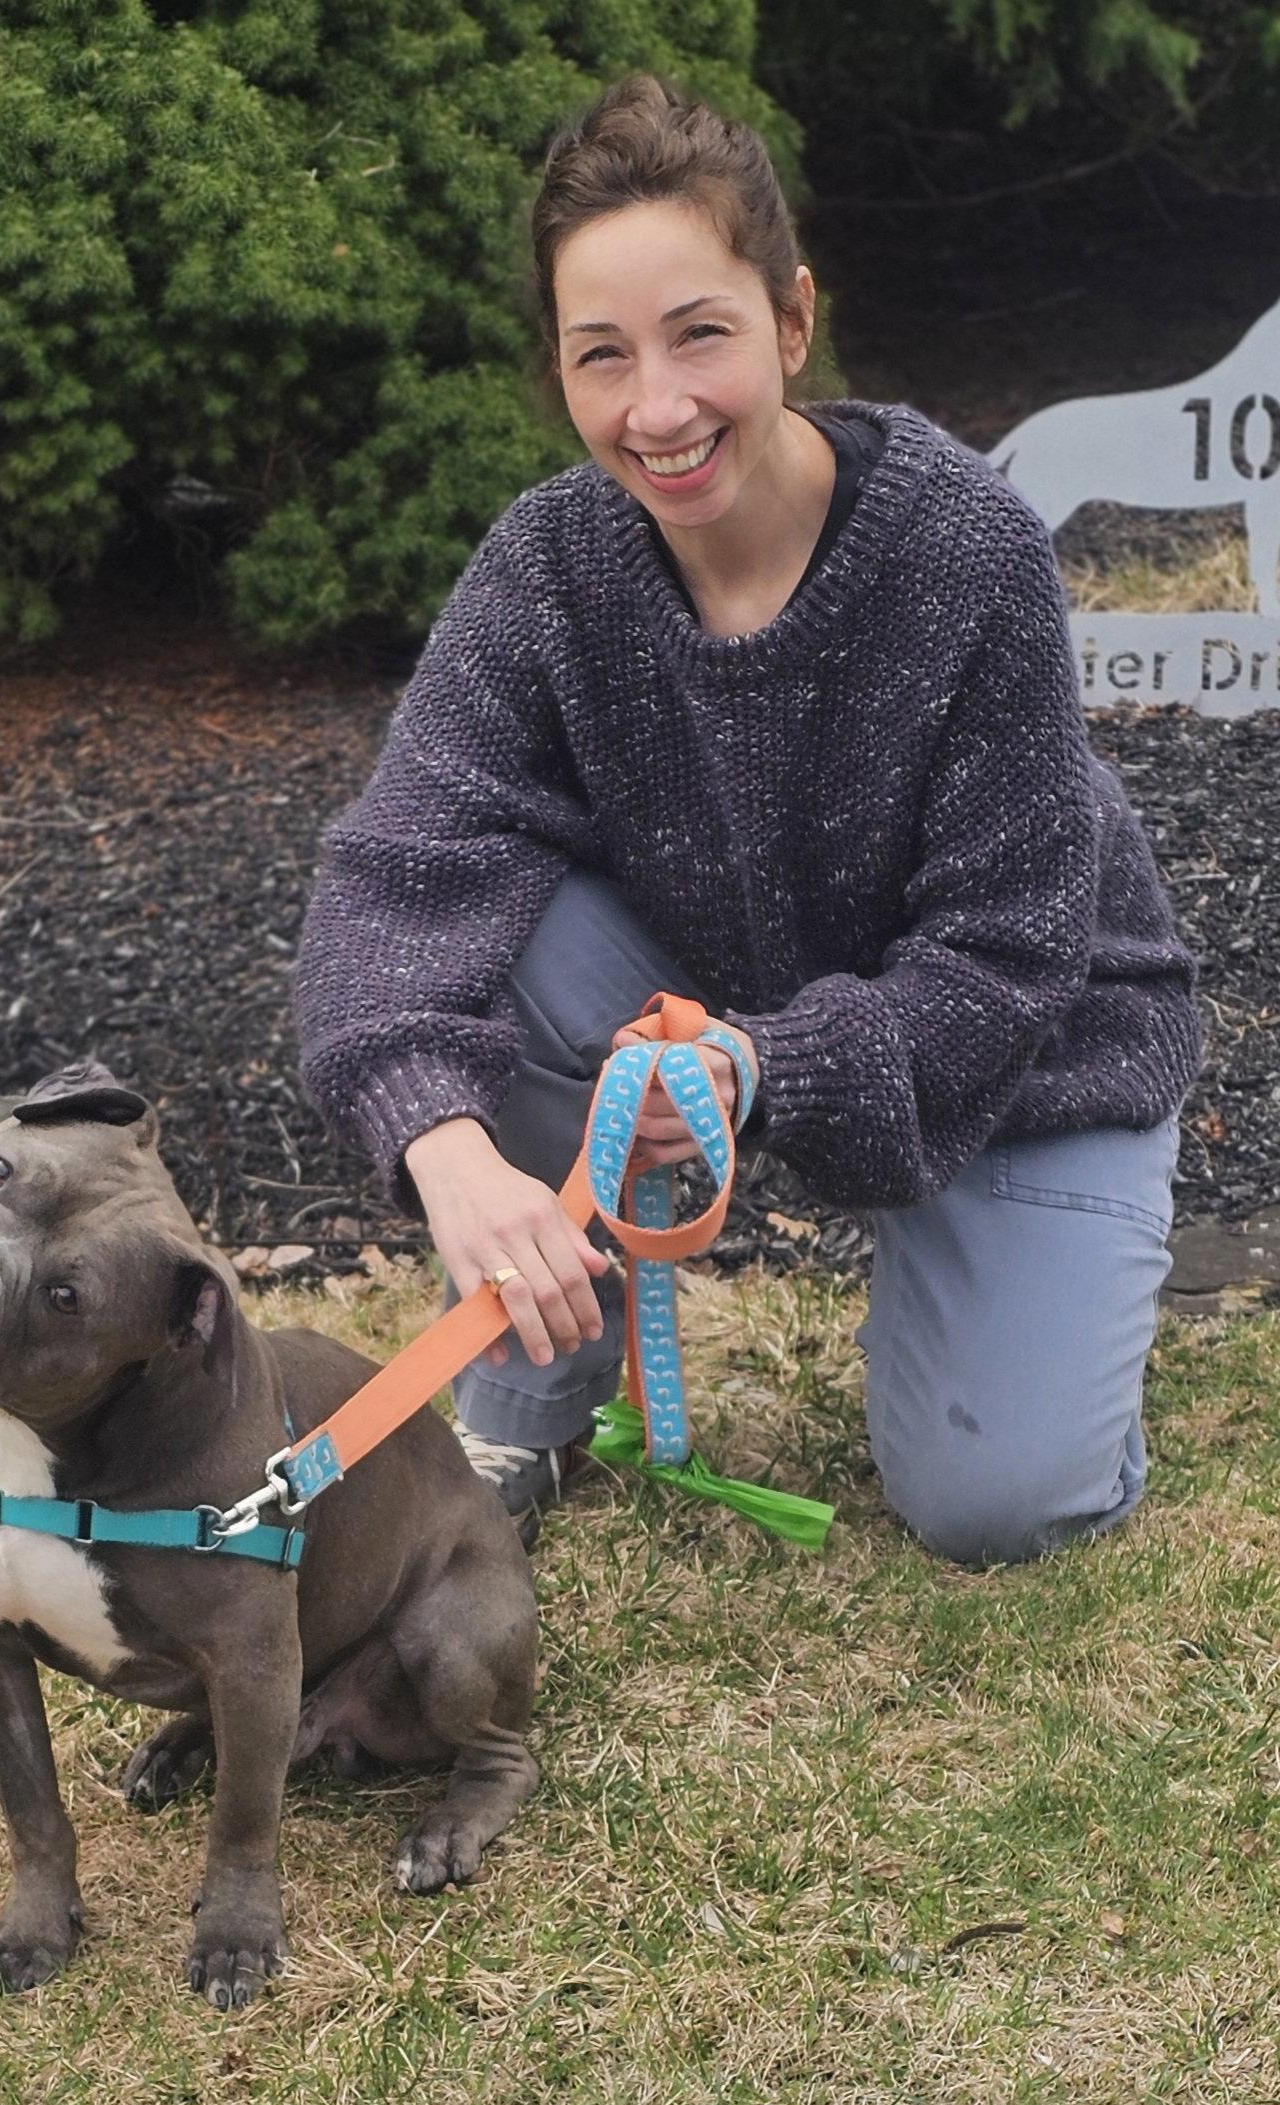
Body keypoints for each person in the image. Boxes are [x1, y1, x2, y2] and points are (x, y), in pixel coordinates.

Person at [293, 72, 1203, 1566]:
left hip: (1022, 1040)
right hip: (719, 1001)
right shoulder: (546, 569)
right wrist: (445, 1151)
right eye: (602, 357)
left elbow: (1002, 960)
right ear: (560, 374)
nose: (655, 409)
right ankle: (536, 1385)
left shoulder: (965, 549)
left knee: (997, 1502)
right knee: (486, 932)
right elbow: (392, 885)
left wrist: (757, 1063)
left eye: (698, 334)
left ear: (790, 320)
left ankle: (1046, 1314)